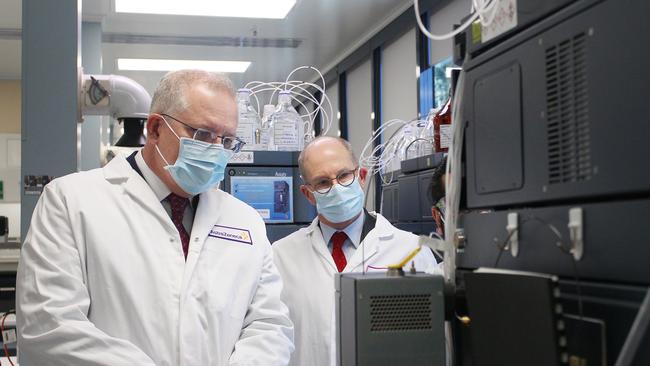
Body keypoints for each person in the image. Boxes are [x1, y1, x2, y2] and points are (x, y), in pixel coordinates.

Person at [16, 70, 294, 366]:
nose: (216, 151)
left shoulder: (245, 221)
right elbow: (49, 327)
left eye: (226, 141)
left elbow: (269, 326)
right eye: (202, 134)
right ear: (156, 129)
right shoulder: (70, 201)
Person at [272, 136, 438, 366]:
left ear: (361, 176)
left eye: (343, 176)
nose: (336, 188)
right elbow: (269, 336)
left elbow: (431, 343)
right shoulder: (281, 256)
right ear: (308, 194)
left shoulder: (412, 251)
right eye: (322, 182)